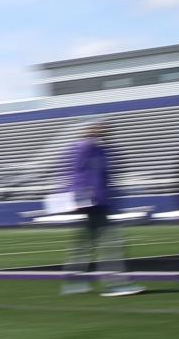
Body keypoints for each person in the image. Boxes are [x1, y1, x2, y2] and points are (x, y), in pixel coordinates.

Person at [59, 118, 144, 297]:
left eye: (103, 127)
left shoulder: (103, 150)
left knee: (85, 242)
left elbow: (108, 176)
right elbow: (76, 174)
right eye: (97, 127)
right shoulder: (83, 147)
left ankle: (74, 283)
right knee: (111, 241)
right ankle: (116, 284)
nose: (102, 129)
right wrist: (78, 200)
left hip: (102, 202)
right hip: (91, 202)